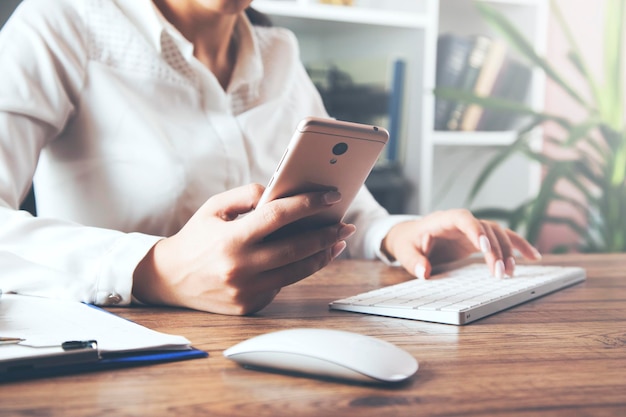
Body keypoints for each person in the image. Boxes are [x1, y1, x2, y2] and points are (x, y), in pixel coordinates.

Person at [0, 0, 541, 315]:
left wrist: (400, 235)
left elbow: (346, 209)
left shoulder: (279, 53)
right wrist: (155, 271)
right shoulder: (61, 23)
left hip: (269, 345)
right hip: (117, 358)